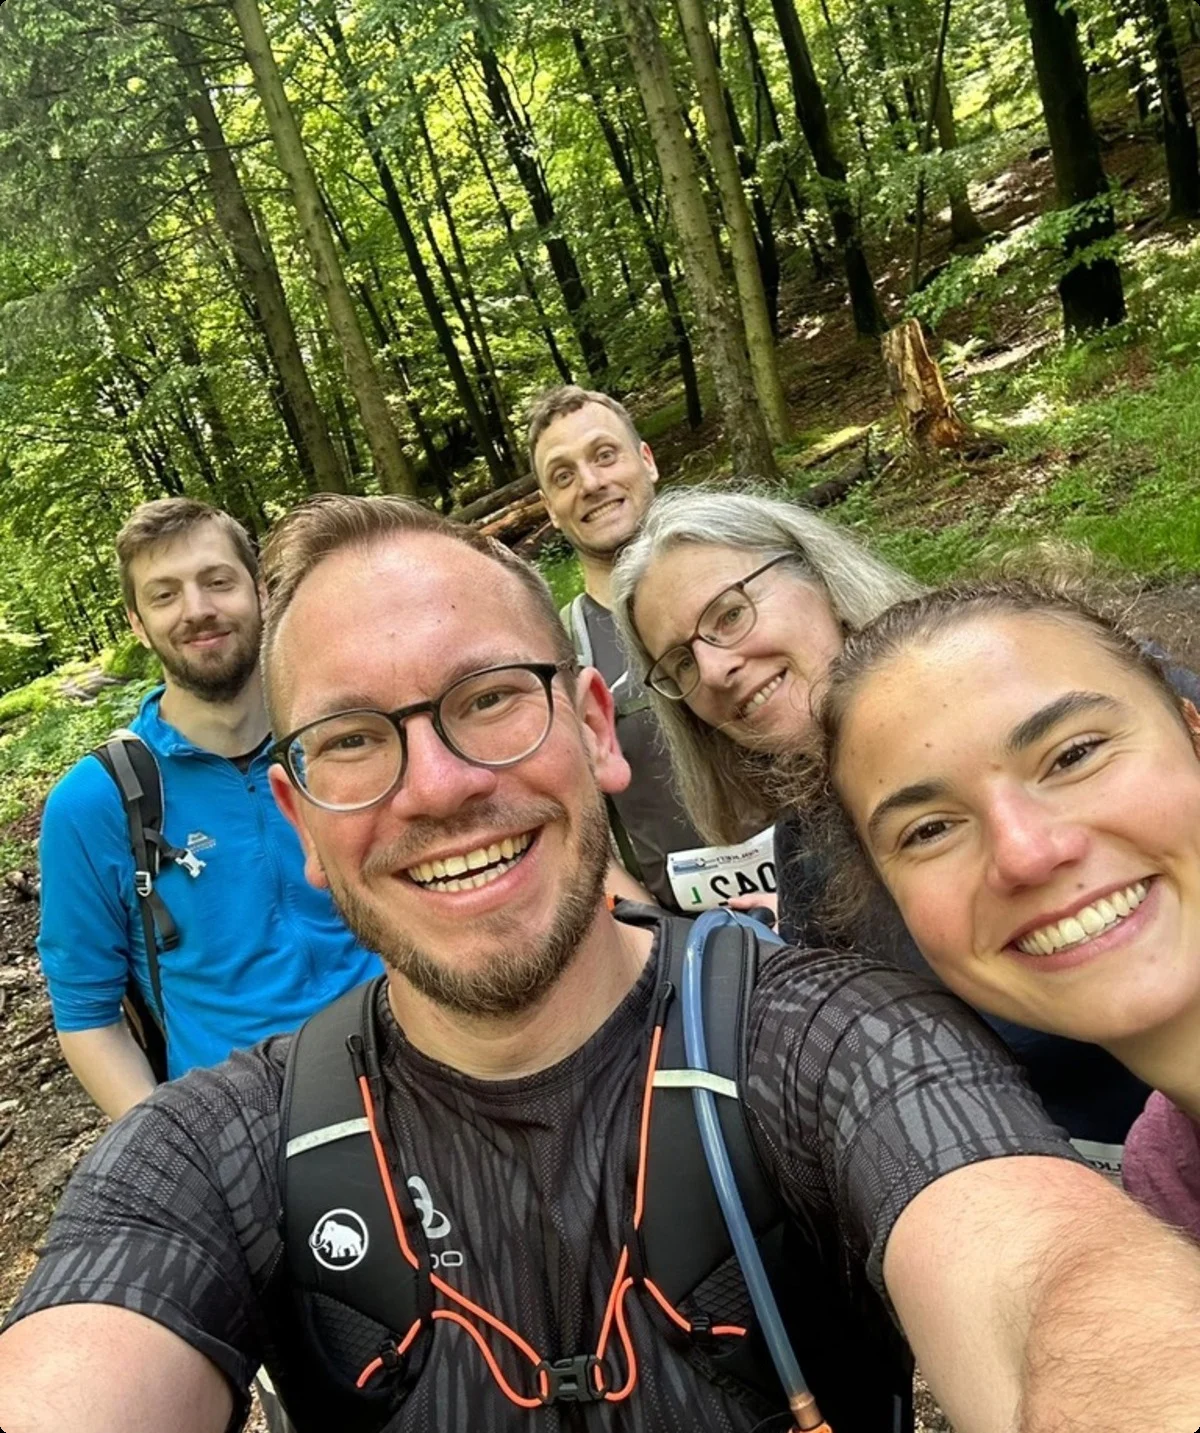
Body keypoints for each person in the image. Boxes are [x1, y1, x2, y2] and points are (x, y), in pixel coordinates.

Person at [4, 495, 1200, 1433]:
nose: (440, 786)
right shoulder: (201, 1151)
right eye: (356, 739)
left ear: (593, 723)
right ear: (298, 810)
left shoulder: (839, 1039)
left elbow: (1049, 1275)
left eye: (487, 698)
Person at [611, 489, 1153, 1169]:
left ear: (817, 576)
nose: (716, 669)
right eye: (681, 664)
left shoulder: (1029, 680)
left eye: (730, 613)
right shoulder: (804, 857)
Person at [799, 577, 1200, 1240]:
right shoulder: (1159, 1172)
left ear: (1192, 730)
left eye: (1074, 754)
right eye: (929, 830)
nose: (1026, 853)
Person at [36, 498, 381, 1116]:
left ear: (262, 592)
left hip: (416, 1070)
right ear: (138, 624)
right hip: (243, 1127)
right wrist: (180, 1156)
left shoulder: (347, 738)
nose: (197, 610)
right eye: (164, 595)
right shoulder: (94, 806)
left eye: (216, 581)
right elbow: (88, 1017)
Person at [529, 386, 769, 914]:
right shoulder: (558, 655)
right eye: (563, 476)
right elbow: (569, 831)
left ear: (647, 461)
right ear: (550, 509)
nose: (591, 483)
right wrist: (661, 936)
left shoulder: (753, 581)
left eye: (604, 455)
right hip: (691, 947)